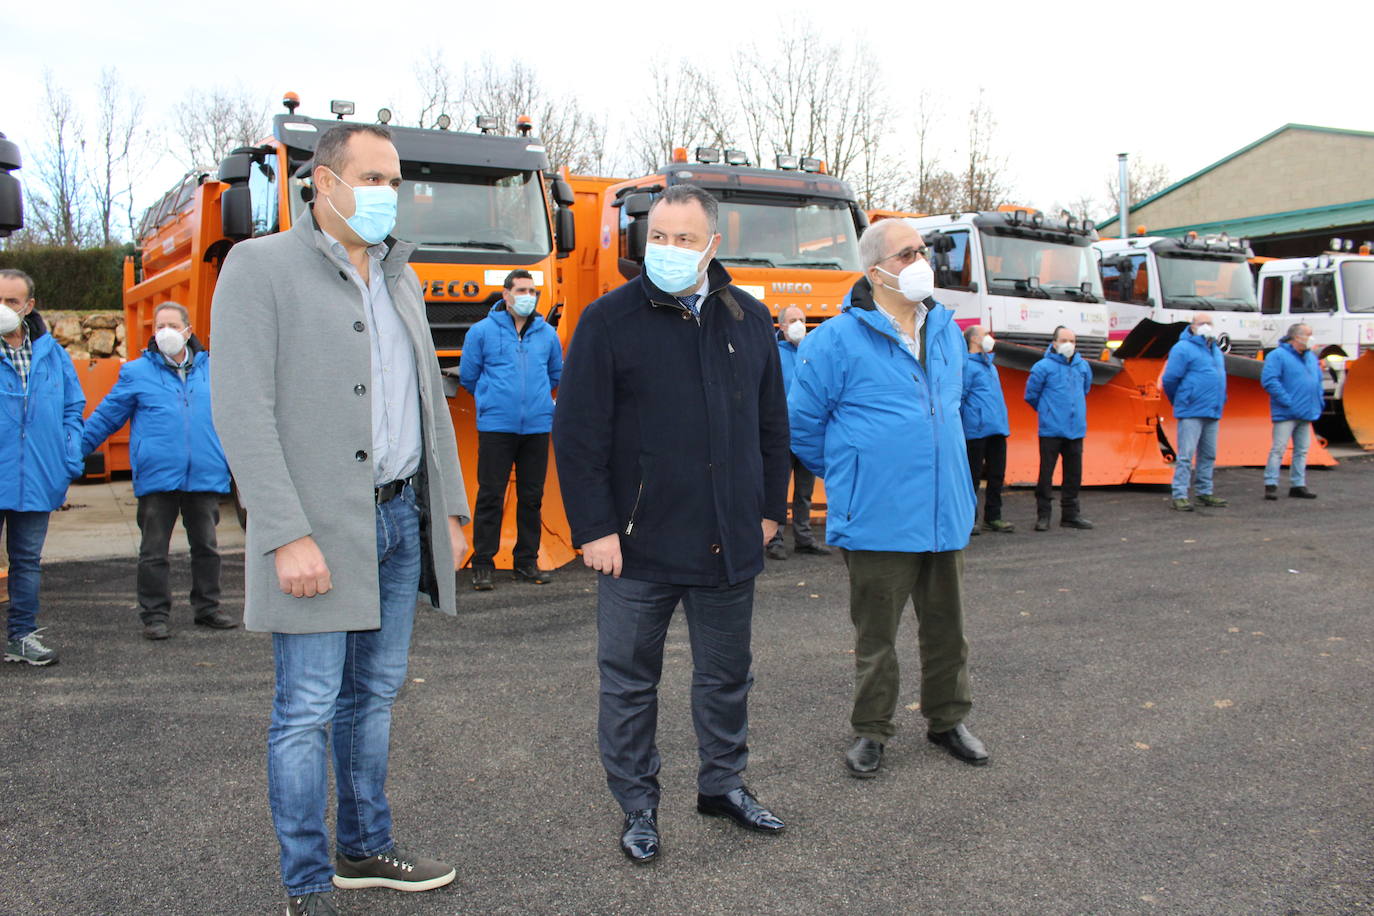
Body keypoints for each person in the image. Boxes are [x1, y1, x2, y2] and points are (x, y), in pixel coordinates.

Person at [209, 123, 470, 916]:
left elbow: (429, 401)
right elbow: (242, 411)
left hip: (396, 523)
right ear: (322, 182)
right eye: (373, 177)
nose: (389, 193)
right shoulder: (260, 268)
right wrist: (285, 533)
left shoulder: (400, 279)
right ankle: (306, 883)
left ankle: (364, 848)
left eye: (396, 180)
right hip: (316, 533)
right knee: (307, 709)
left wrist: (449, 510)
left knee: (375, 697)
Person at [553, 184, 791, 864]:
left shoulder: (749, 320)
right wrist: (594, 528)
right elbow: (577, 436)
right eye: (658, 236)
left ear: (713, 244)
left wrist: (770, 509)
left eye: (684, 239)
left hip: (727, 542)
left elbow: (773, 426)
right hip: (635, 549)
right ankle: (637, 807)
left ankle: (723, 785)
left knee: (726, 677)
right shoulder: (608, 321)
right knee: (629, 682)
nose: (669, 249)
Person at [788, 217, 986, 779]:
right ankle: (871, 730)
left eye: (923, 251)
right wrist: (856, 478)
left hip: (943, 512)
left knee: (949, 629)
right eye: (907, 254)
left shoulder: (945, 330)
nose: (921, 261)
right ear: (874, 271)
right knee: (877, 637)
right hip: (877, 517)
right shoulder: (833, 341)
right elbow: (802, 427)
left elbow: (952, 408)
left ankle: (949, 720)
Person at [82, 302, 236, 639]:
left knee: (207, 547)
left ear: (188, 330)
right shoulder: (137, 373)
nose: (164, 331)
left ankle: (208, 608)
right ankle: (154, 615)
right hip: (157, 477)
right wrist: (73, 453)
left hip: (204, 475)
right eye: (158, 326)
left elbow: (240, 417)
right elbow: (107, 417)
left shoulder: (215, 370)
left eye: (171, 324)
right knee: (154, 551)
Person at [459, 268, 562, 590]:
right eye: (521, 291)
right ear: (505, 295)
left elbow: (556, 374)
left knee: (531, 497)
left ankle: (526, 562)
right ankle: (483, 564)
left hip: (536, 427)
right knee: (490, 494)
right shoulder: (481, 331)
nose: (527, 297)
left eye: (532, 291)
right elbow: (469, 375)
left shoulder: (547, 335)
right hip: (496, 427)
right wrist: (493, 400)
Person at [0, 268, 83, 667]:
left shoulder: (52, 354)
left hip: (36, 477)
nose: (2, 308)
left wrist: (68, 456)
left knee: (27, 561)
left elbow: (72, 407)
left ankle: (21, 637)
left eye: (11, 301)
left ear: (29, 307)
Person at [766, 305, 830, 560]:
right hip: (781, 434)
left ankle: (804, 538)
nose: (799, 324)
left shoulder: (812, 351)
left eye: (802, 319)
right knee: (778, 489)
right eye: (793, 320)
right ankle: (775, 539)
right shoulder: (771, 352)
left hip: (808, 433)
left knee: (804, 490)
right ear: (781, 325)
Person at [1024, 326, 1094, 532]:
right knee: (1046, 474)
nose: (1068, 344)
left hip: (1075, 430)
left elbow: (1086, 389)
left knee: (1073, 474)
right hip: (1051, 430)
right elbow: (1031, 395)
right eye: (1064, 340)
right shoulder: (1042, 367)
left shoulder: (1083, 367)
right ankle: (1043, 515)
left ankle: (1070, 514)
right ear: (1054, 343)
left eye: (1072, 340)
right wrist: (1048, 412)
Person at [1161, 313, 1228, 511]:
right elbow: (1170, 379)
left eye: (1209, 323)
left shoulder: (1215, 349)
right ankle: (1180, 494)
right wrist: (1182, 399)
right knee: (1185, 455)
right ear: (1192, 326)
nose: (1206, 326)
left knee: (1209, 454)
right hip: (1192, 409)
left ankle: (1204, 492)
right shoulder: (1182, 348)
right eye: (1201, 323)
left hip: (1212, 409)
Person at [1261, 322, 1323, 500]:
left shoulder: (1310, 357)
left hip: (1305, 411)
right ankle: (1271, 483)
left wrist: (1317, 401)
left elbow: (1317, 380)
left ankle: (1298, 484)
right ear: (1296, 337)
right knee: (1278, 448)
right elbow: (1270, 380)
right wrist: (1287, 401)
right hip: (1286, 413)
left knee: (1302, 450)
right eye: (1308, 334)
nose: (1311, 338)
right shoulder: (1278, 356)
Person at [961, 325, 1013, 535]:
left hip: (997, 429)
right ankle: (968, 519)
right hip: (975, 431)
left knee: (996, 476)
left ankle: (993, 517)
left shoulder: (991, 366)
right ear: (974, 339)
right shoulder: (967, 366)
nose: (989, 338)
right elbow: (960, 399)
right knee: (972, 477)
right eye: (984, 335)